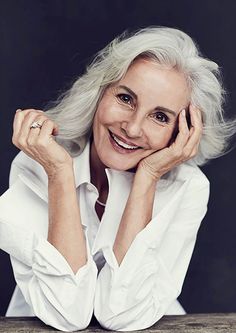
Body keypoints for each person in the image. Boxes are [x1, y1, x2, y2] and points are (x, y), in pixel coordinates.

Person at [0, 26, 235, 332]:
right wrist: (59, 174)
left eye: (161, 116)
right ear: (98, 92)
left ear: (183, 132)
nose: (133, 129)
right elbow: (66, 314)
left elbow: (121, 315)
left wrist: (147, 177)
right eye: (126, 98)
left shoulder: (188, 187)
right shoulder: (40, 163)